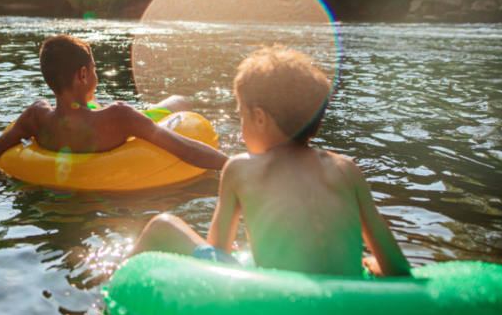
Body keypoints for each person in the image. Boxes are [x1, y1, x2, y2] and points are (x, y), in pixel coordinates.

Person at [130, 45, 411, 277]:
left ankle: (109, 305)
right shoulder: (347, 170)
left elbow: (216, 257)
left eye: (241, 115)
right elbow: (397, 268)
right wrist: (369, 268)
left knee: (162, 225)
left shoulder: (240, 168)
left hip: (275, 308)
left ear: (260, 118)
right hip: (346, 312)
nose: (241, 130)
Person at [0, 34, 228, 172]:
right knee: (180, 101)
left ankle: (87, 103)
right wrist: (236, 164)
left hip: (76, 118)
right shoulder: (120, 117)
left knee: (89, 104)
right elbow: (187, 150)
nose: (96, 74)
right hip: (113, 125)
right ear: (83, 74)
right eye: (94, 69)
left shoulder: (35, 117)